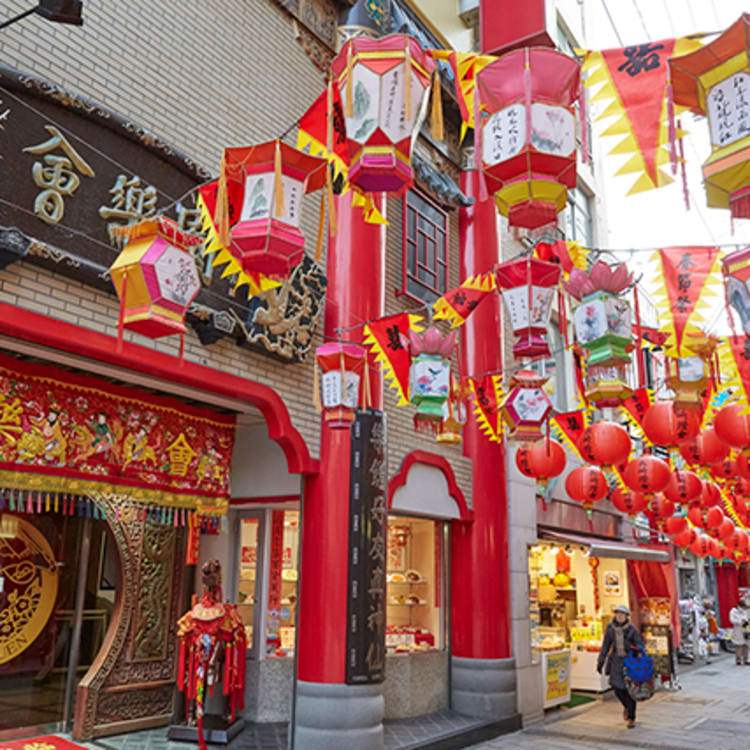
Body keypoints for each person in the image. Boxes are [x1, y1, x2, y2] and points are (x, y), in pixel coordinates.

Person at [597, 604, 643, 728]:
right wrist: (601, 661)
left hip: (630, 663)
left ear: (627, 616)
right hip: (616, 661)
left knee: (630, 691)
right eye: (618, 614)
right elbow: (606, 645)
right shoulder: (610, 628)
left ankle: (631, 717)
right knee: (617, 688)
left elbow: (640, 647)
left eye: (622, 615)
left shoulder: (632, 630)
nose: (620, 616)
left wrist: (638, 657)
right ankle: (627, 707)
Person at [729, 597, 749, 666]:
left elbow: (747, 619)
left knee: (746, 645)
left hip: (745, 630)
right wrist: (740, 621)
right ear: (738, 606)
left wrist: (746, 622)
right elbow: (732, 620)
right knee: (738, 646)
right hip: (737, 630)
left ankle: (745, 660)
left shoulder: (744, 611)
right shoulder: (733, 612)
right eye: (742, 607)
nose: (743, 608)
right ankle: (738, 660)